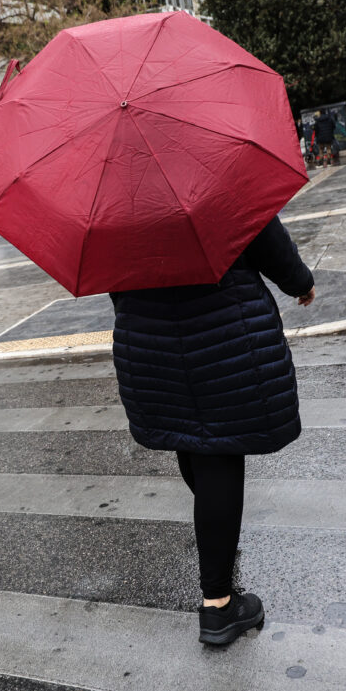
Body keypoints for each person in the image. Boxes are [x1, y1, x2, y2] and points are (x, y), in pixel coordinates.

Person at [110, 217, 315, 646]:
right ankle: (218, 606)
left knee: (193, 443)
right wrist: (299, 282)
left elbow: (113, 281)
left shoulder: (113, 202)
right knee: (217, 453)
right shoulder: (217, 172)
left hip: (150, 339)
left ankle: (217, 544)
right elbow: (263, 234)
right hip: (224, 327)